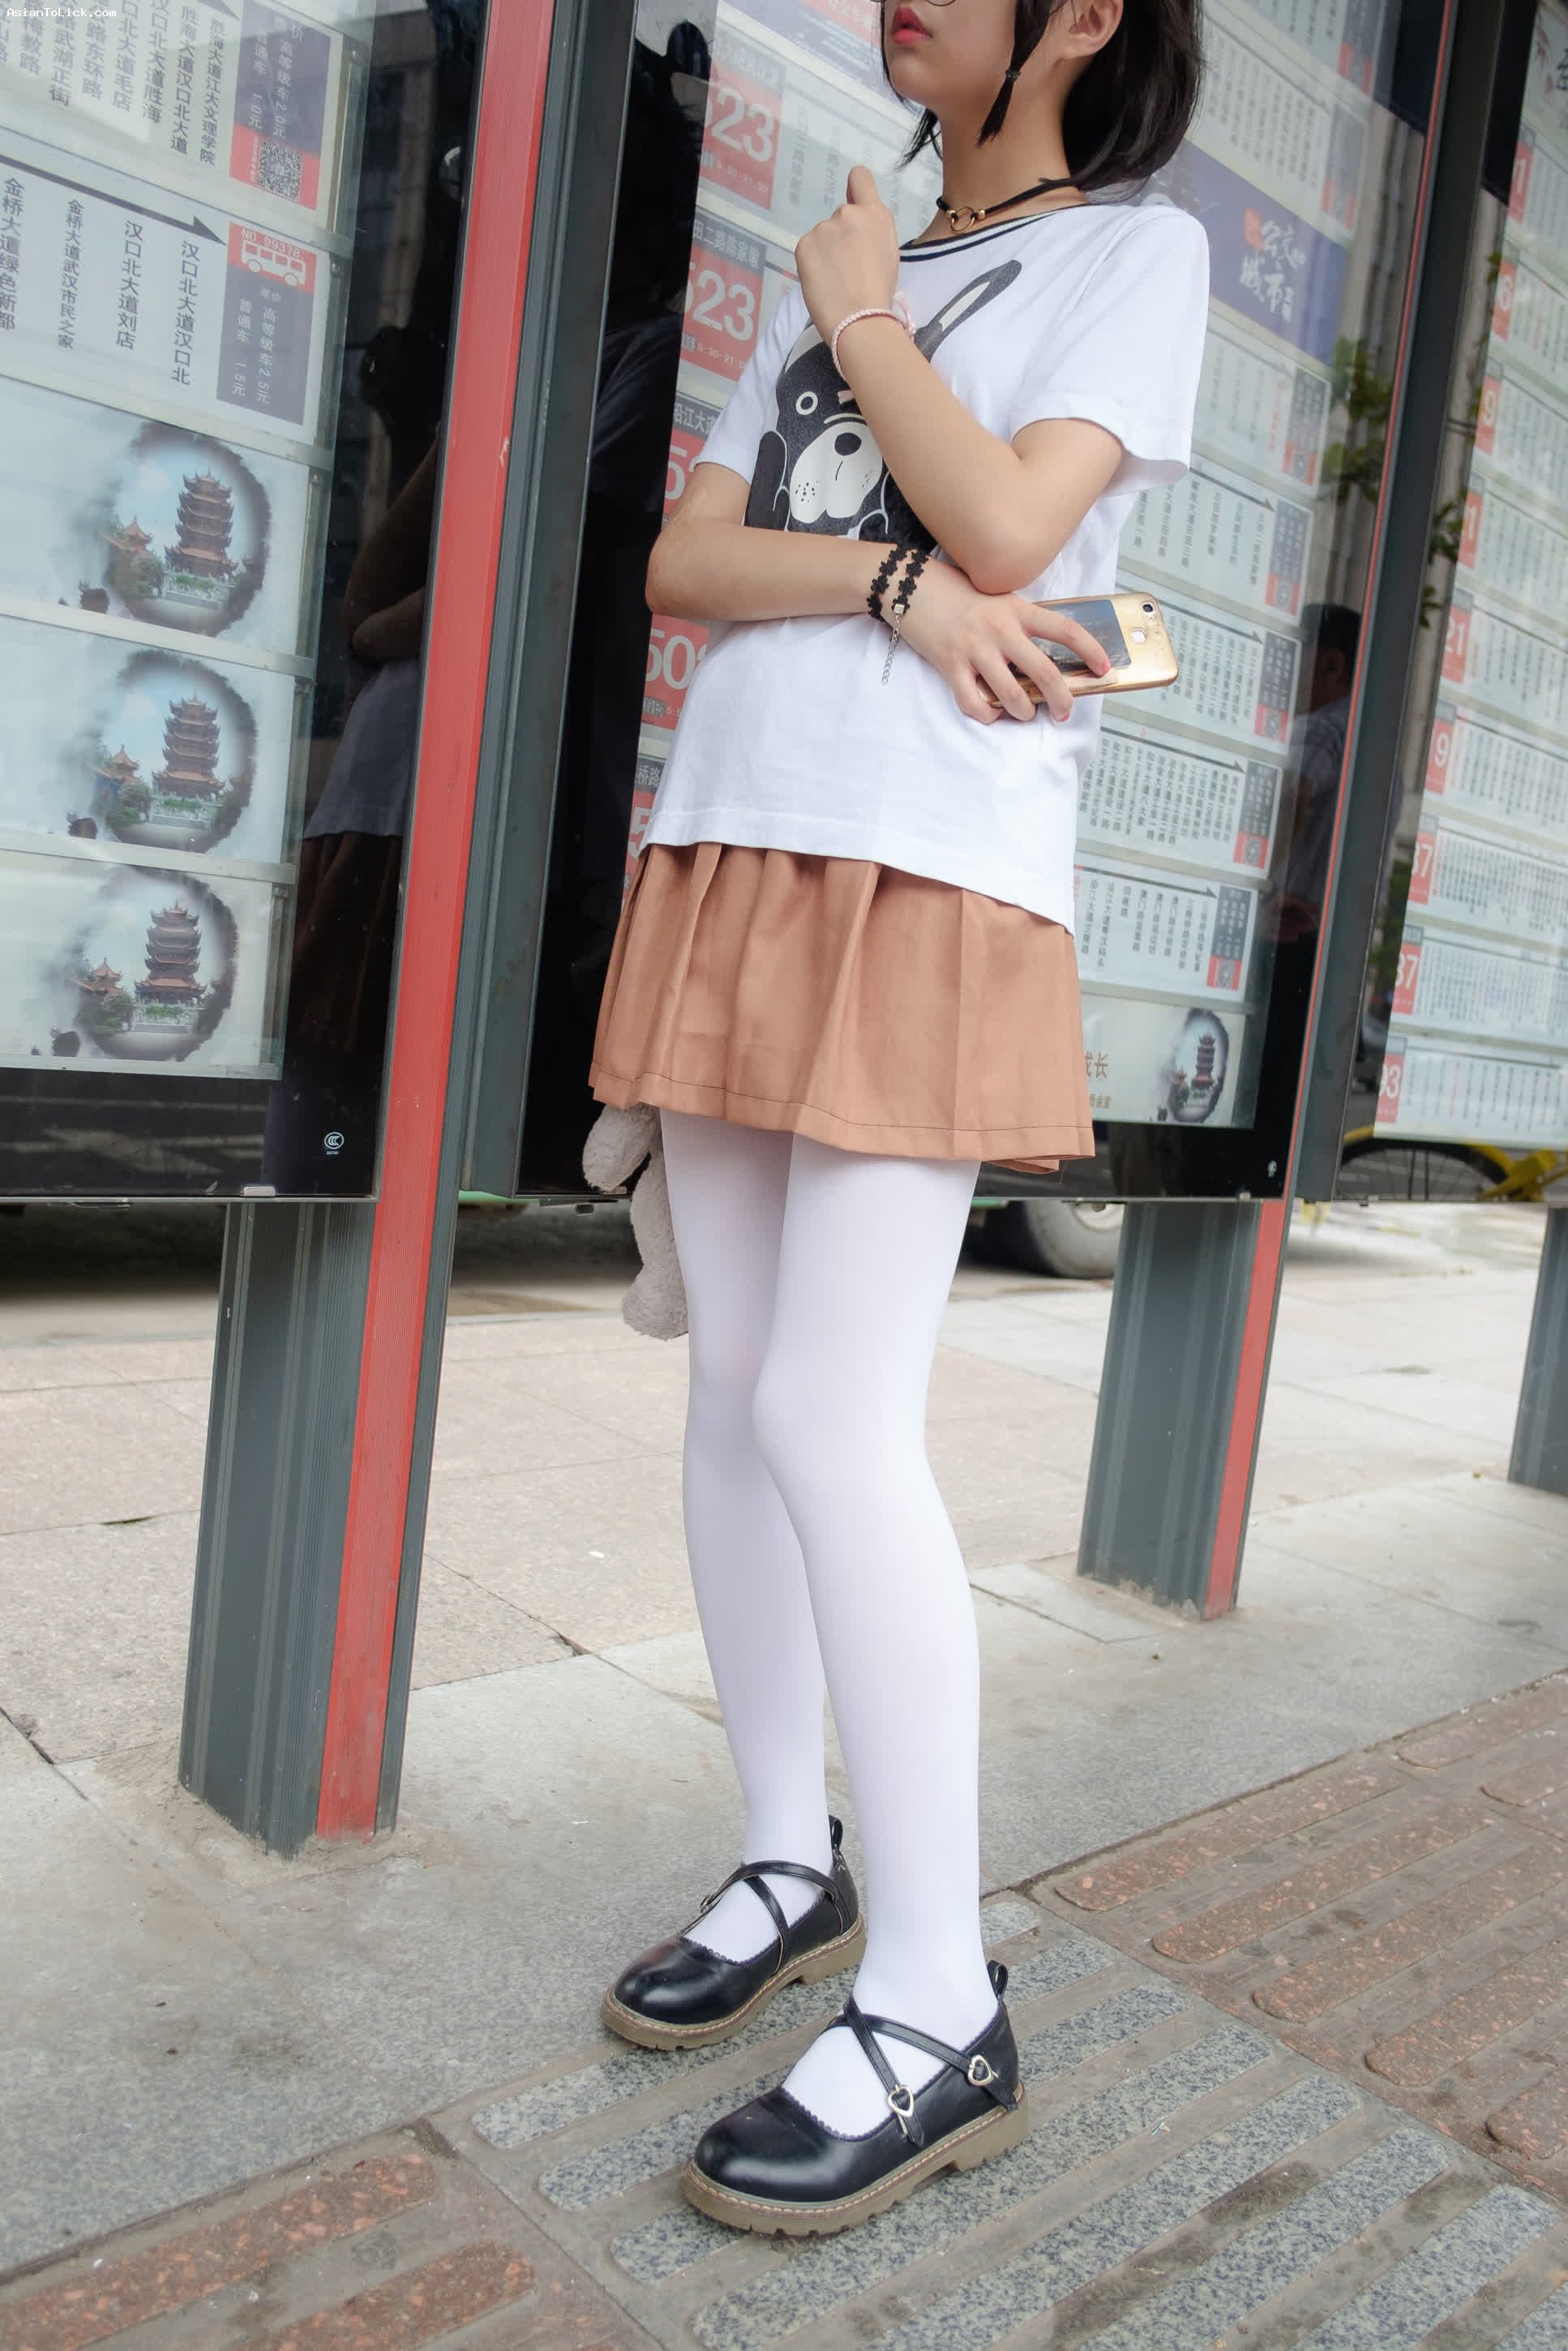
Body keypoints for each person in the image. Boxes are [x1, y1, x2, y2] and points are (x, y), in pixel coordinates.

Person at [589, 0, 1209, 2236]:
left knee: (837, 1416)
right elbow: (691, 561)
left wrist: (865, 329)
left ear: (1087, 16)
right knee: (733, 1393)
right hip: (737, 829)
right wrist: (889, 585)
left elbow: (1018, 520)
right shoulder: (850, 245)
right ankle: (791, 1856)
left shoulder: (1130, 252)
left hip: (927, 861)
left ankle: (943, 1996)